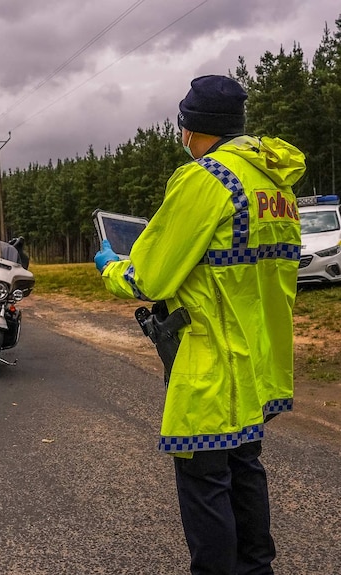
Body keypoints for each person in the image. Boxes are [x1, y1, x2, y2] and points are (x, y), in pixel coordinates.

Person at [94, 75, 304, 574]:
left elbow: (151, 277)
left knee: (206, 484)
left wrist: (111, 265)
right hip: (256, 360)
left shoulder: (203, 180)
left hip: (210, 364)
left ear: (191, 127)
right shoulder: (276, 184)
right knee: (245, 470)